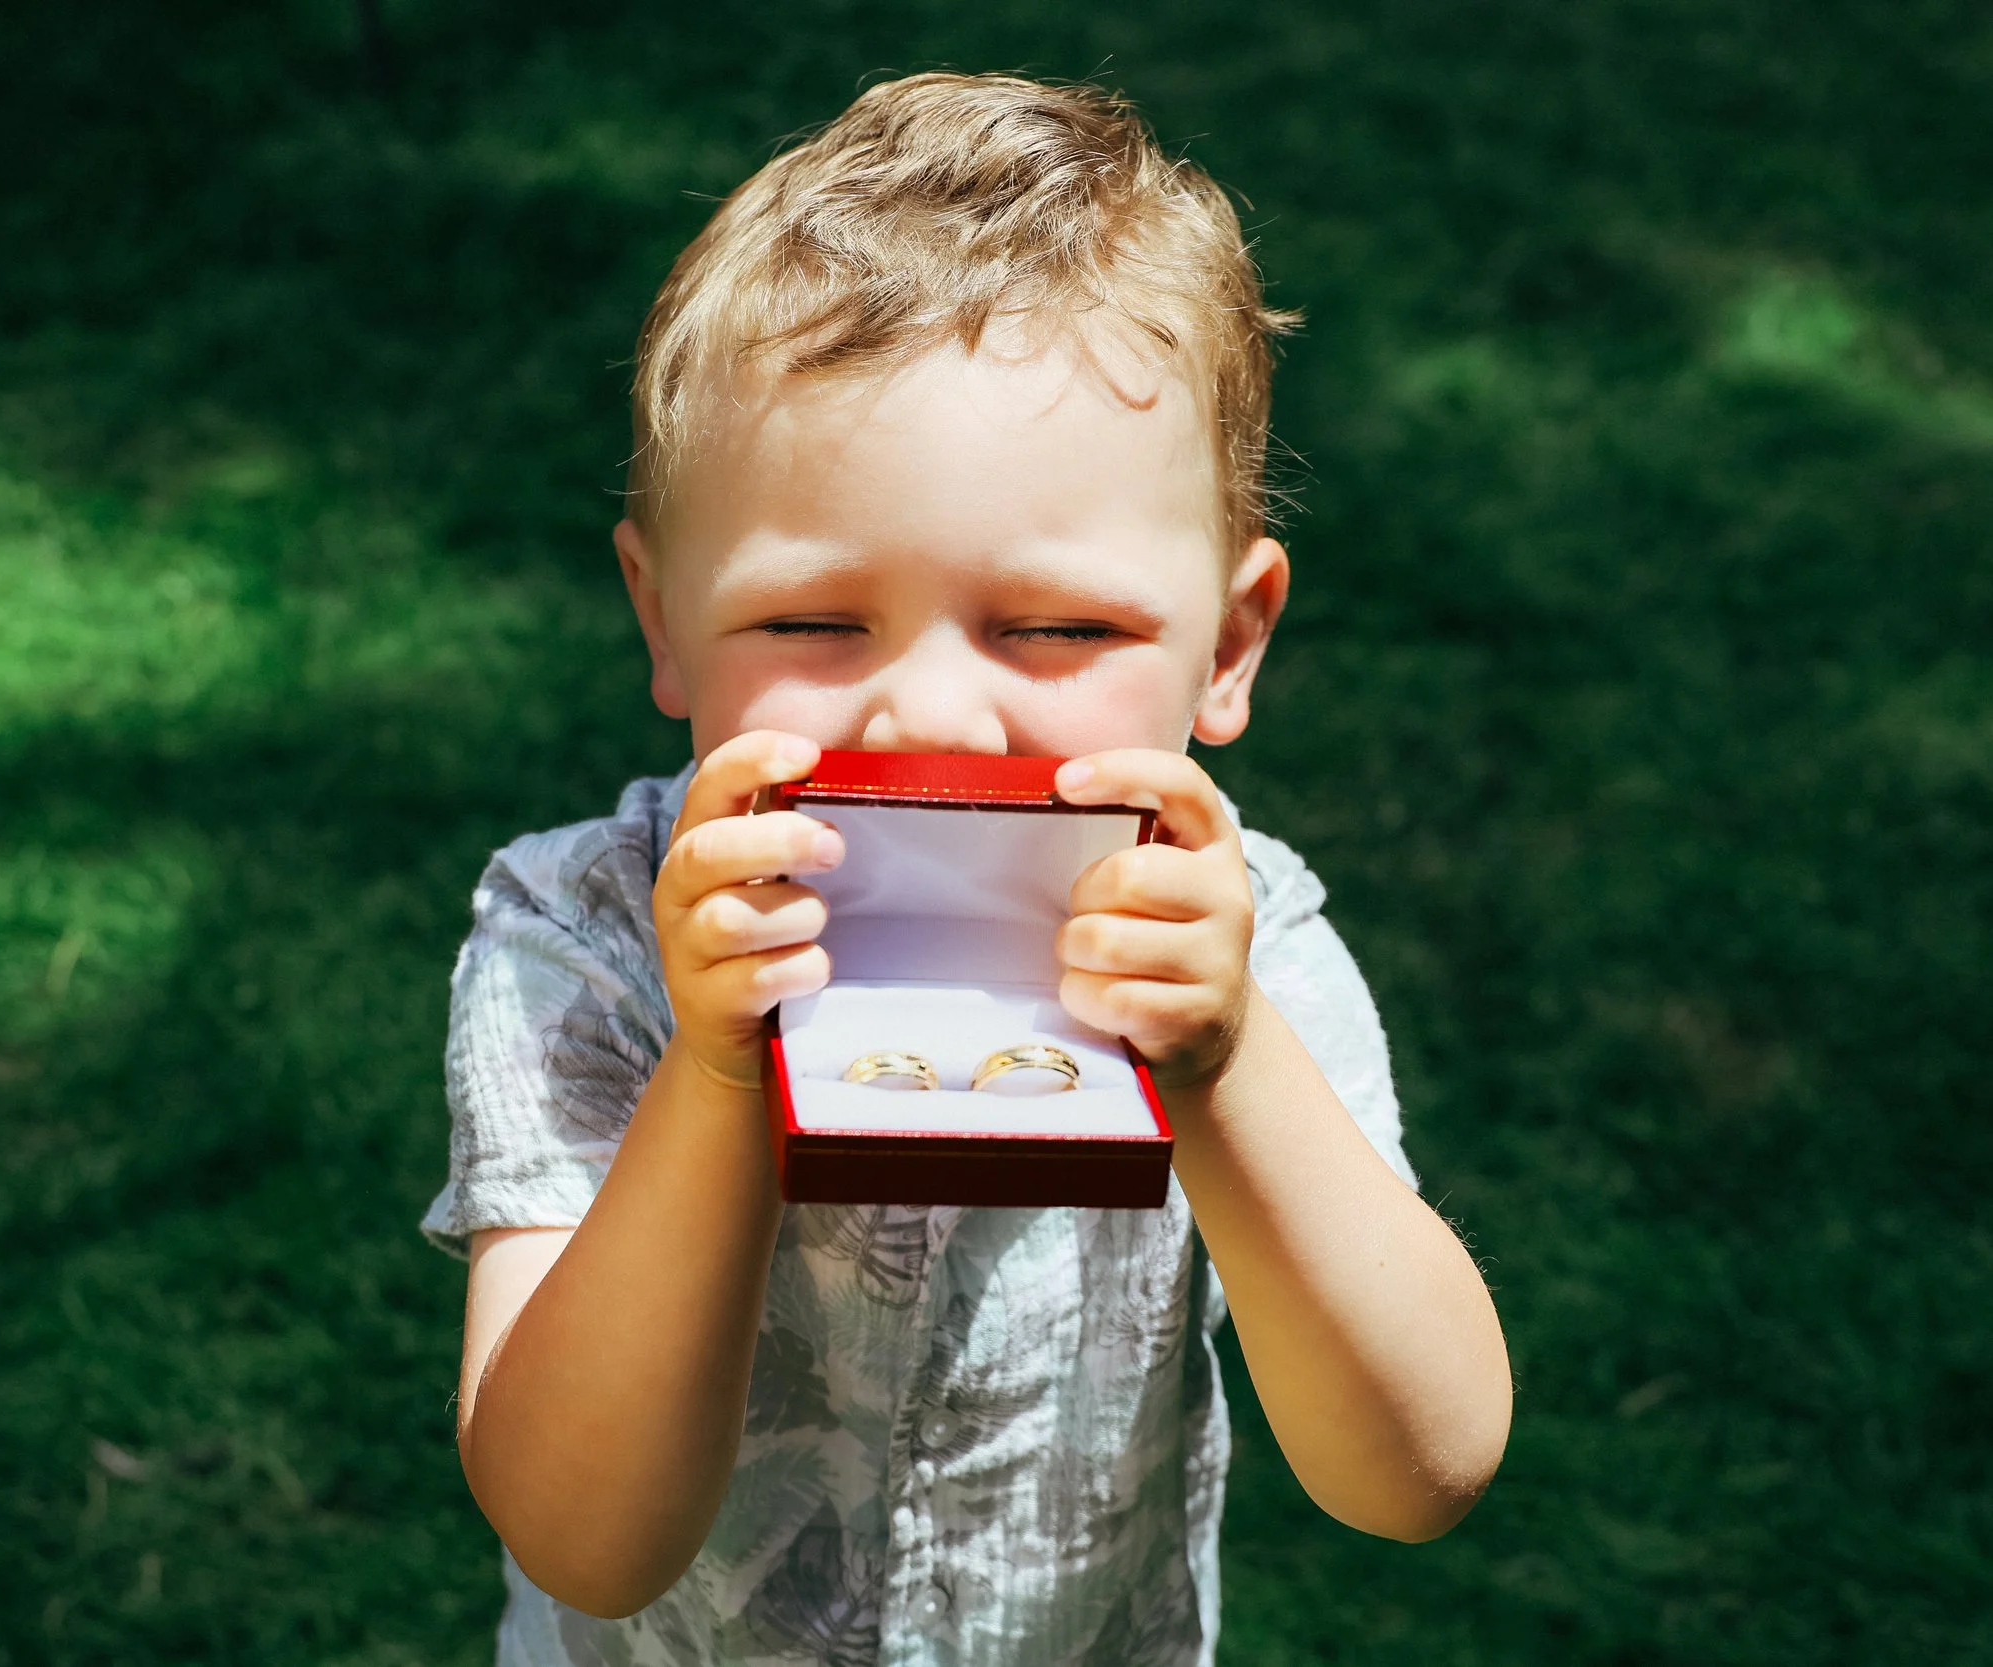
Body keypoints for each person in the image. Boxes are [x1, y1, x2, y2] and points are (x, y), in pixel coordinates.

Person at [421, 72, 1512, 1667]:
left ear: (1231, 641)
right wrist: (718, 1081)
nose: (928, 707)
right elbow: (585, 1536)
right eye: (809, 621)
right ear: (665, 621)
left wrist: (1224, 1068)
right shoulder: (581, 938)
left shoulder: (1246, 947)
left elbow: (1418, 1469)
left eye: (1058, 628)